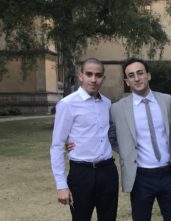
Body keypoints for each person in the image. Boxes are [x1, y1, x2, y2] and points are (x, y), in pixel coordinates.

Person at [108, 58, 171, 221]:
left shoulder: (167, 100)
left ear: (148, 75)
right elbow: (111, 137)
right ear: (127, 81)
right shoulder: (117, 108)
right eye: (131, 75)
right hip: (140, 177)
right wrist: (128, 153)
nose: (137, 78)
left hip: (170, 173)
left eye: (140, 73)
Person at [50, 58, 119, 221]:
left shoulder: (108, 104)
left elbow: (112, 135)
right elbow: (57, 146)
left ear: (103, 78)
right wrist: (61, 185)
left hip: (108, 172)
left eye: (98, 75)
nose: (93, 79)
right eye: (89, 74)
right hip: (81, 174)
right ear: (80, 76)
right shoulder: (67, 104)